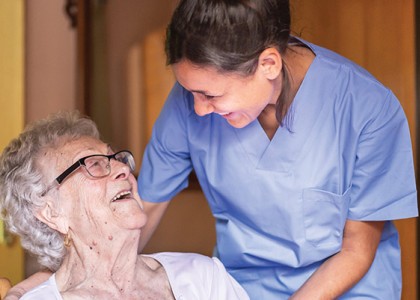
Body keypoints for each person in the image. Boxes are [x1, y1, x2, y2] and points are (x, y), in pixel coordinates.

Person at [137, 0, 418, 299]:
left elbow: (357, 250)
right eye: (190, 92)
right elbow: (146, 205)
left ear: (268, 64)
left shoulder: (367, 108)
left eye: (210, 95)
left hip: (347, 291)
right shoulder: (189, 103)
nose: (198, 109)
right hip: (243, 289)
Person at [0, 111, 249, 300]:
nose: (122, 168)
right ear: (52, 213)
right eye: (93, 164)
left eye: (117, 158)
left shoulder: (202, 277)